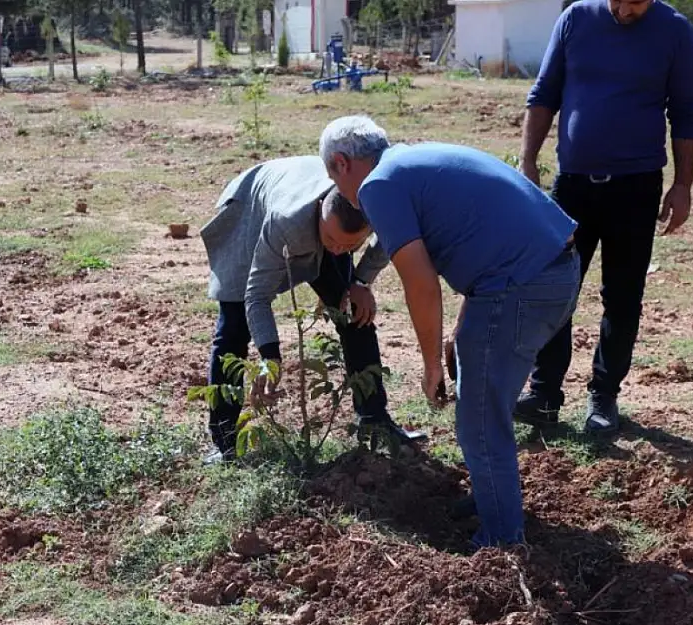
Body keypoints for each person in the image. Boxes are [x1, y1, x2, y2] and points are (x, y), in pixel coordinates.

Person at [318, 115, 580, 548]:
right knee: (481, 394)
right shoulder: (409, 161)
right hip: (551, 268)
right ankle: (491, 497)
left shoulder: (376, 185)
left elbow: (421, 284)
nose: (340, 193)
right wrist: (458, 332)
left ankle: (500, 541)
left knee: (478, 414)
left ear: (343, 163)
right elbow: (477, 243)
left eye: (332, 176)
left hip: (524, 283)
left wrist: (429, 365)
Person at [517, 0, 693, 434]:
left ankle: (604, 397)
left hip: (636, 187)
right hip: (572, 185)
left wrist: (683, 184)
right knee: (555, 289)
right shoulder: (576, 19)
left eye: (635, 2)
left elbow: (686, 110)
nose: (623, 10)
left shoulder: (675, 31)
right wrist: (528, 159)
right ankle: (544, 394)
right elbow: (544, 92)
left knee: (622, 298)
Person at [198, 155, 422, 465]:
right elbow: (257, 295)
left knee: (352, 311)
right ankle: (224, 442)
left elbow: (388, 240)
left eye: (348, 246)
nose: (336, 250)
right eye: (331, 240)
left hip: (316, 216)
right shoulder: (284, 222)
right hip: (253, 206)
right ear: (320, 213)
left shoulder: (371, 206)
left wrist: (359, 281)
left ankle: (375, 422)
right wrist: (270, 356)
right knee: (234, 325)